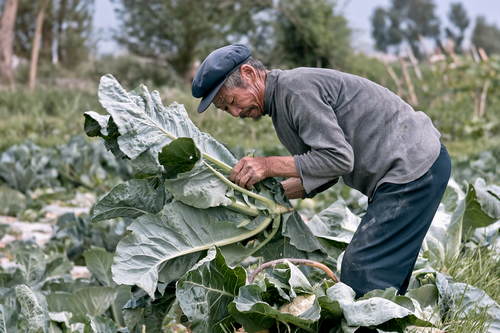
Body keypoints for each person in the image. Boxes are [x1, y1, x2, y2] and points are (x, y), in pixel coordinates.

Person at [191, 44, 451, 297]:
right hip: (409, 170)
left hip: (413, 168)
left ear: (249, 73)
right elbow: (323, 170)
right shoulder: (281, 106)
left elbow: (338, 159)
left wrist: (268, 165)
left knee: (361, 270)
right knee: (380, 274)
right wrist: (271, 197)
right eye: (226, 109)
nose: (235, 112)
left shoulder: (296, 91)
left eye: (233, 101)